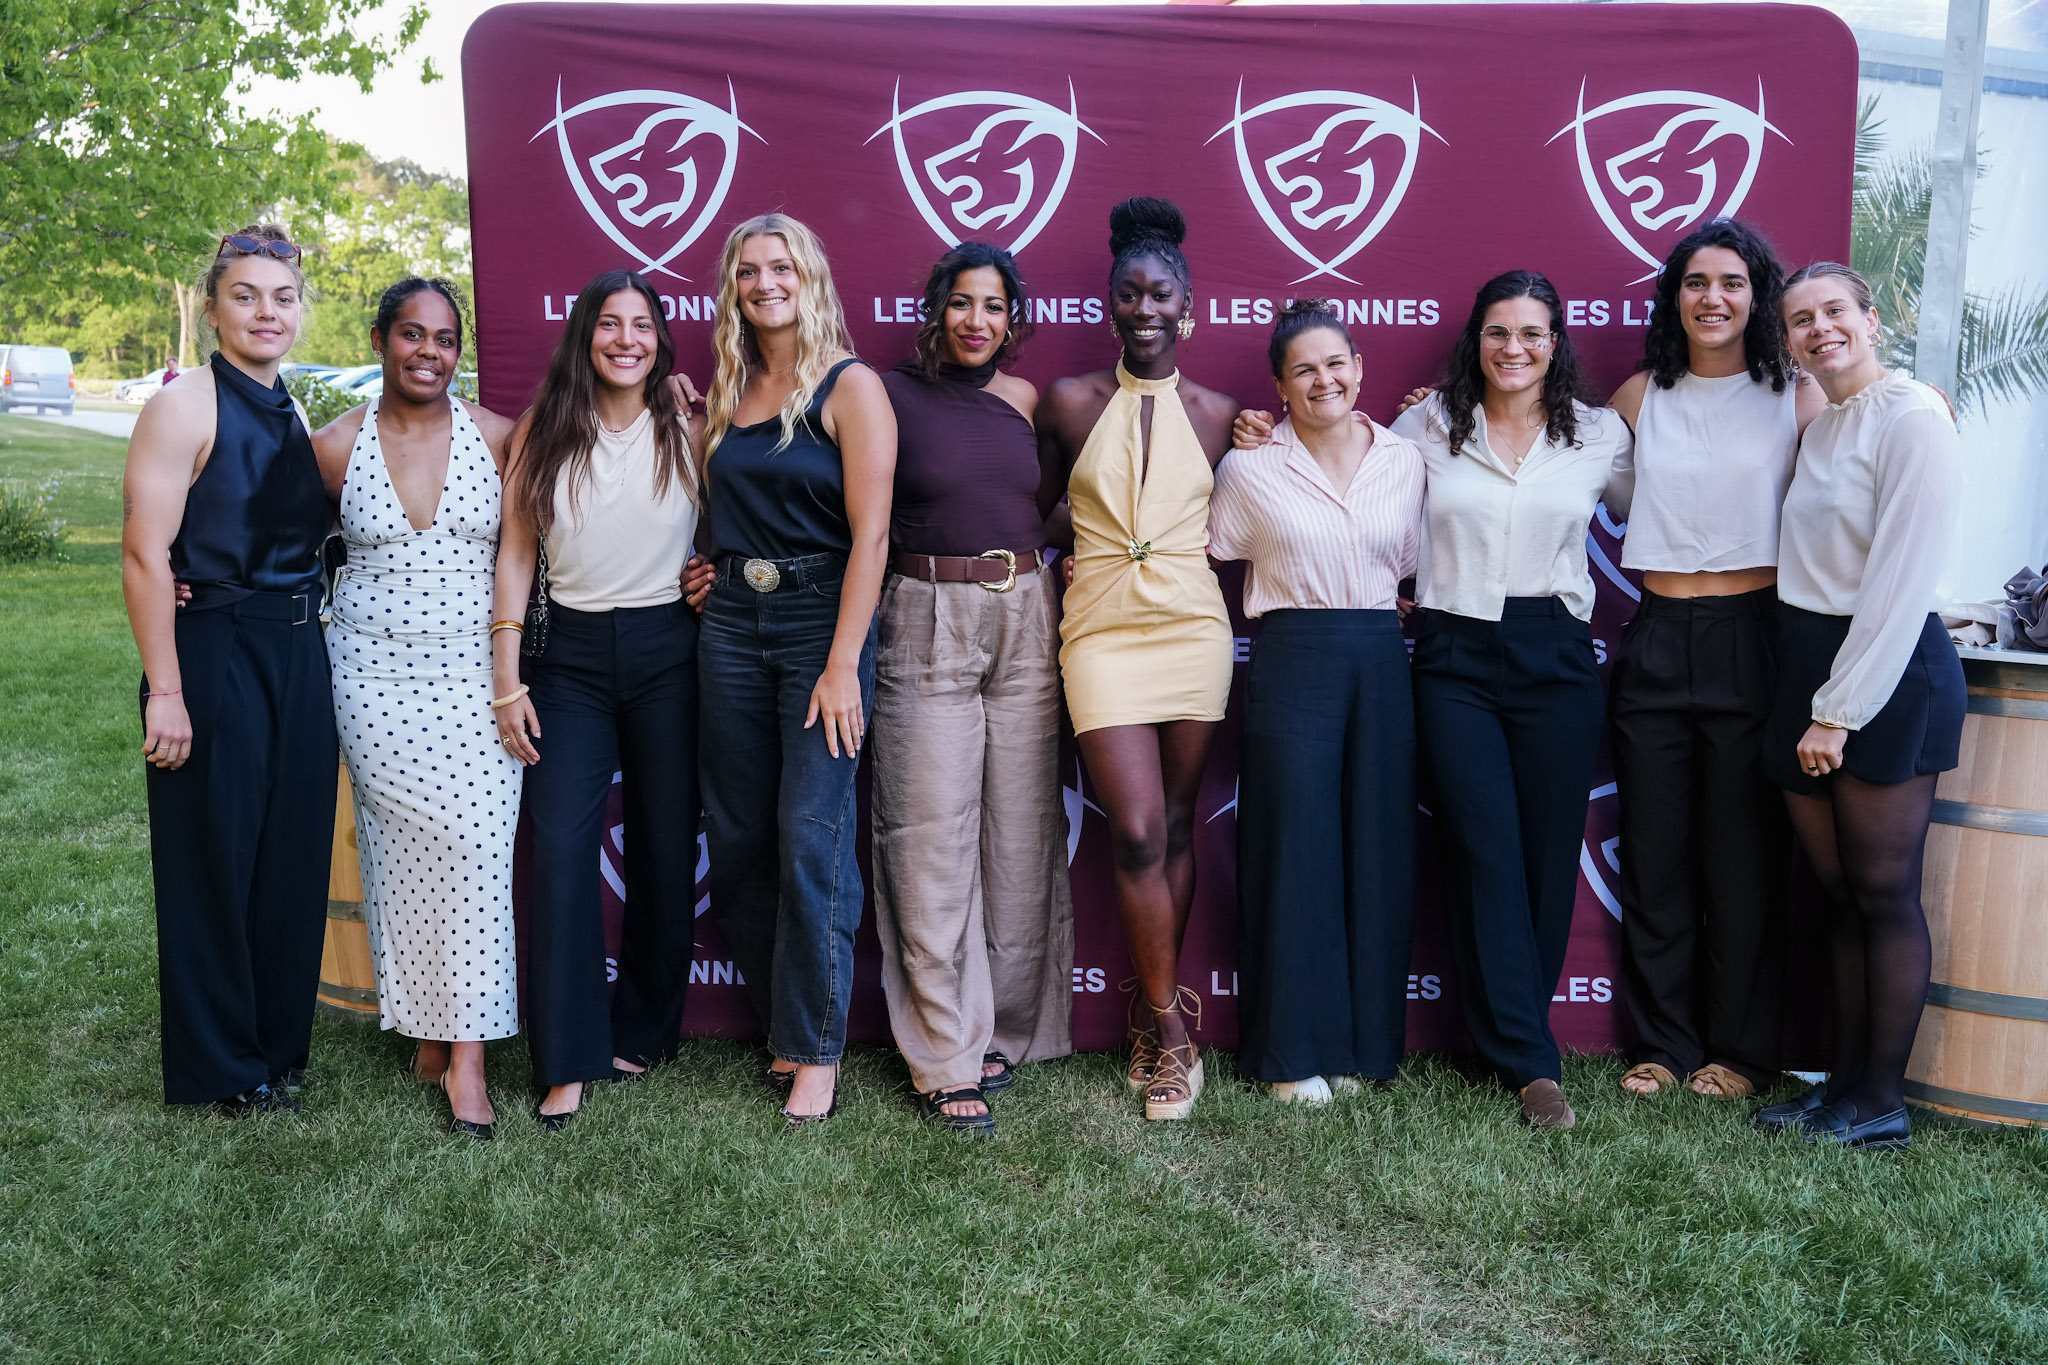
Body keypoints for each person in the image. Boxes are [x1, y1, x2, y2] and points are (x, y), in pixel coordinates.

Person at [1391, 270, 1634, 1130]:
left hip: (1557, 654)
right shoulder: (1425, 423)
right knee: (1484, 844)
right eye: (1499, 332)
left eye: (1532, 333)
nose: (1515, 348)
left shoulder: (1601, 434)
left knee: (1541, 857)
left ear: (1556, 343)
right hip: (1452, 653)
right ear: (1476, 339)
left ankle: (1503, 1036)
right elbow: (1357, 490)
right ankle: (1534, 1063)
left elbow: (1658, 507)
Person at [1606, 220, 1825, 1102]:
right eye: (1696, 282)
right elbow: (1535, 443)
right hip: (1657, 629)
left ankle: (1739, 1050)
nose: (1713, 298)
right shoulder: (1636, 394)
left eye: (1732, 282)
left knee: (1742, 857)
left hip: (1754, 630)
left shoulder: (1797, 396)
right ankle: (1661, 1043)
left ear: (1758, 296)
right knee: (1656, 856)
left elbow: (1870, 455)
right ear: (1675, 296)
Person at [121, 224, 336, 1114]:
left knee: (288, 855)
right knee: (214, 858)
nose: (265, 311)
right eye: (245, 295)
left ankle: (274, 1046)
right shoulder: (186, 404)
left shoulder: (290, 407)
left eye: (282, 297)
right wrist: (166, 690)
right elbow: (143, 554)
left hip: (297, 646)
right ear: (211, 306)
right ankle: (222, 1067)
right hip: (214, 646)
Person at [1752, 262, 1962, 1152]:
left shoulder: (1914, 417)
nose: (1819, 328)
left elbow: (1900, 580)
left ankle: (1881, 1100)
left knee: (1882, 893)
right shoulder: (1825, 422)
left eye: (1835, 311)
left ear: (1873, 318)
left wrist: (1838, 711)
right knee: (1838, 893)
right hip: (1807, 661)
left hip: (1883, 669)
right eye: (1801, 319)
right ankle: (1841, 1084)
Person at [1036, 197, 1238, 1122]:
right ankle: (1170, 1025)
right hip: (1104, 630)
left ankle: (1160, 1015)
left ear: (1187, 309)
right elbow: (1031, 508)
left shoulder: (1227, 416)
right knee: (1140, 829)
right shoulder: (1070, 401)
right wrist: (1072, 537)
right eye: (1130, 294)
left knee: (1183, 822)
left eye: (1162, 295)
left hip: (1194, 630)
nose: (1145, 307)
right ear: (1111, 305)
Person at [491, 269, 705, 1133]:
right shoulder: (548, 426)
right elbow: (514, 552)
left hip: (670, 651)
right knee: (563, 848)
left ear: (661, 339)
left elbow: (745, 521)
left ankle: (646, 1031)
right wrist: (507, 677)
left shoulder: (693, 422)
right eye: (610, 324)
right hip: (568, 658)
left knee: (663, 844)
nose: (627, 339)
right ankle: (568, 1055)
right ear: (585, 336)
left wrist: (716, 573)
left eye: (643, 325)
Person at [696, 214, 896, 1128]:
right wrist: (710, 570)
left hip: (823, 620)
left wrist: (845, 661)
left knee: (811, 830)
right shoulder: (729, 386)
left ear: (808, 275)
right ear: (733, 287)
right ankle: (788, 1020)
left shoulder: (850, 388)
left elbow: (873, 535)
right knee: (739, 838)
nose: (764, 283)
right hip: (733, 620)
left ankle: (818, 1050)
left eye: (780, 267)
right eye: (748, 271)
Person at [871, 243, 1073, 1136]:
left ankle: (1009, 1030)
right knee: (927, 836)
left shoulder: (1027, 401)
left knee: (1021, 833)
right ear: (936, 310)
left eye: (994, 307)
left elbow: (1058, 501)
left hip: (1029, 607)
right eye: (962, 304)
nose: (977, 322)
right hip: (926, 612)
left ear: (1013, 320)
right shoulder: (885, 394)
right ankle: (946, 1052)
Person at [313, 277, 519, 1140]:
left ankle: (466, 1058)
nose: (429, 352)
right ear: (379, 340)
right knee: (402, 860)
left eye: (444, 339)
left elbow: (561, 527)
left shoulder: (498, 435)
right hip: (370, 673)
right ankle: (432, 1033)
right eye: (412, 335)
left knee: (478, 852)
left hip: (478, 676)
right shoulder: (332, 447)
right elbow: (272, 542)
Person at [1210, 302, 1426, 1104]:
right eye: (1303, 368)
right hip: (1291, 652)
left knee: (1376, 845)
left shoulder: (1407, 459)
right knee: (1293, 844)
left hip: (1379, 653)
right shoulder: (1249, 468)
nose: (1322, 379)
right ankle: (1288, 1053)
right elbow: (1212, 549)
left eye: (1335, 363)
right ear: (1280, 383)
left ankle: (1363, 1046)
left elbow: (1404, 564)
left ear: (1360, 368)